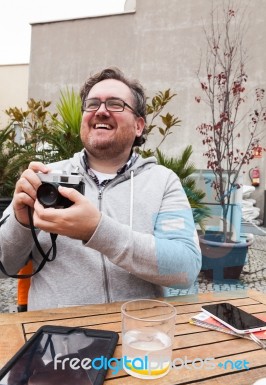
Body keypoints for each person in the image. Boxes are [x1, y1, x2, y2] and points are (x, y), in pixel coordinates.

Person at [0, 67, 201, 310]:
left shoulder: (163, 182)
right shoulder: (44, 178)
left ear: (139, 126)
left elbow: (185, 267)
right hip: (57, 338)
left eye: (115, 104)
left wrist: (98, 230)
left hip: (137, 335)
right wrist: (20, 223)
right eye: (92, 104)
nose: (101, 111)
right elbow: (3, 267)